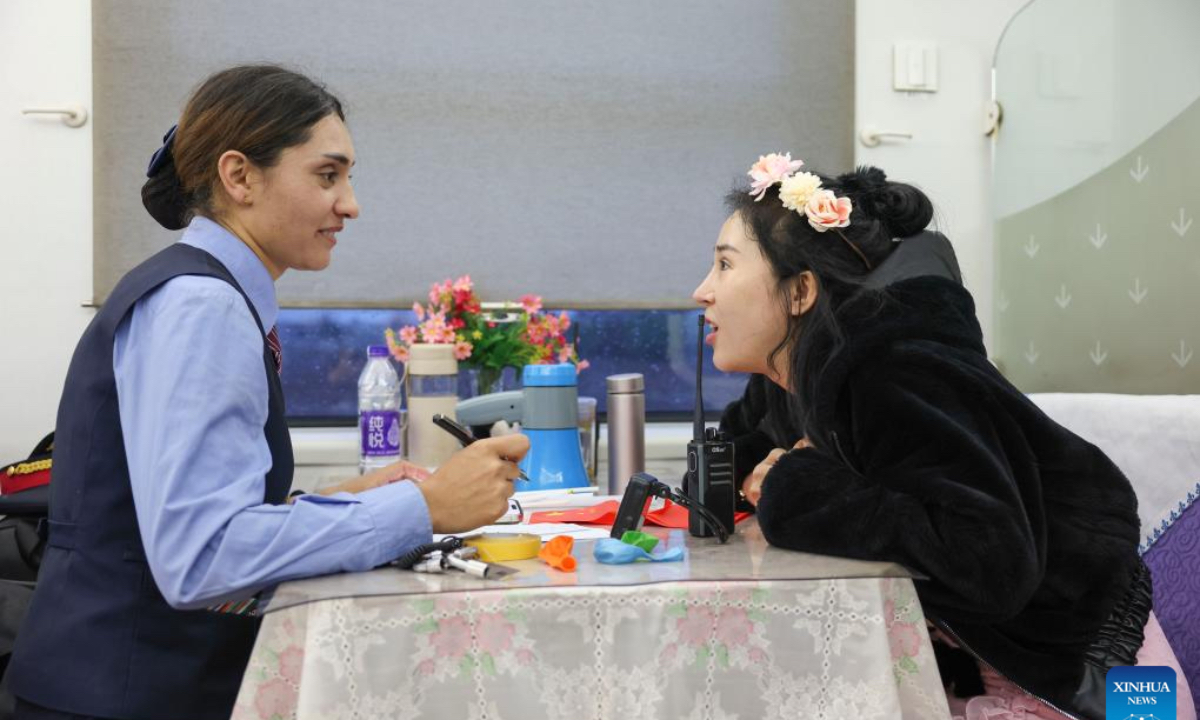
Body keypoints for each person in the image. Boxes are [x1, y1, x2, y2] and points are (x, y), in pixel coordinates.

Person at [6, 65, 528, 720]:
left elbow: (177, 513)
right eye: (327, 175)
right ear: (240, 176)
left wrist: (333, 501)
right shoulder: (203, 306)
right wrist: (423, 507)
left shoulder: (197, 292)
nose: (351, 204)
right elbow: (202, 557)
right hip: (127, 694)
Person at [691, 153, 1194, 719]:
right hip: (972, 656)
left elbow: (991, 559)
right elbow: (742, 461)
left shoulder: (895, 370)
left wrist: (794, 486)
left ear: (800, 291)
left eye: (725, 266)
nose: (701, 291)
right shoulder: (790, 376)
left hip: (1089, 667)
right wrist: (732, 474)